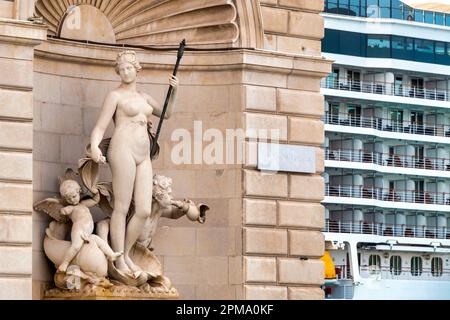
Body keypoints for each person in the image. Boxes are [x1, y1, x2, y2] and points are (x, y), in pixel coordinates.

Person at [90, 50, 179, 276]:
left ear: (137, 68)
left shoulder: (145, 97)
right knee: (121, 206)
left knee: (143, 209)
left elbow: (166, 113)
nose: (126, 72)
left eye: (129, 68)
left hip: (143, 154)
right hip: (122, 150)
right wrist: (94, 146)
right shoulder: (115, 96)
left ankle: (127, 253)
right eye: (121, 69)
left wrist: (174, 89)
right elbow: (101, 126)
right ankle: (119, 259)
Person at [56, 179, 122, 273]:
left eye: (74, 196)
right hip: (79, 229)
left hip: (88, 232)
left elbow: (95, 201)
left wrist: (96, 192)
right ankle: (65, 263)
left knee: (98, 240)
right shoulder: (71, 208)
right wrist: (63, 211)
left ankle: (111, 254)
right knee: (75, 246)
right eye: (68, 199)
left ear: (79, 192)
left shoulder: (83, 204)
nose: (72, 200)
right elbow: (63, 211)